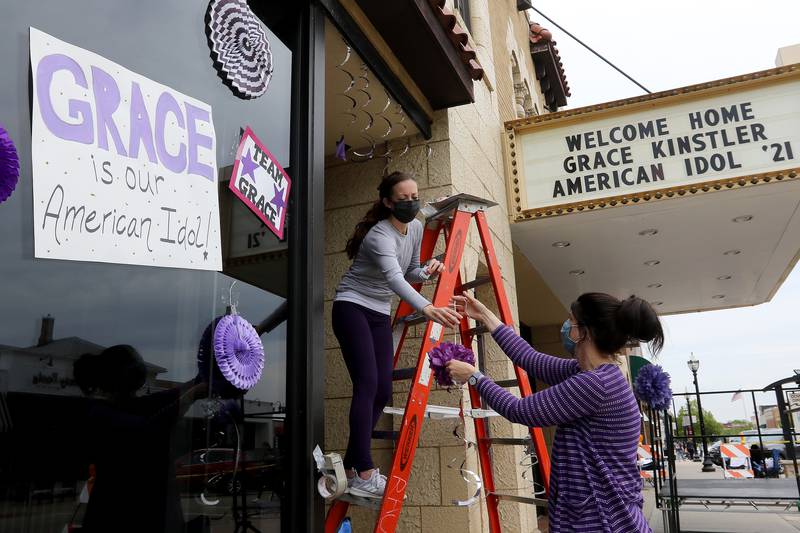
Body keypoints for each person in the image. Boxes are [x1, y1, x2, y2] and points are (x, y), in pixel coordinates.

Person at [447, 292, 664, 533]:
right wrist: (484, 315)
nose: (566, 327)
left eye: (571, 321)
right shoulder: (591, 375)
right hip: (605, 515)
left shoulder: (595, 385)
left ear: (584, 332)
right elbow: (530, 359)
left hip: (603, 521)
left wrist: (474, 377)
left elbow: (521, 411)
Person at [332, 171, 461, 498]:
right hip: (352, 307)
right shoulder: (379, 236)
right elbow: (393, 279)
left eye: (414, 196)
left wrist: (428, 267)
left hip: (377, 312)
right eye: (403, 199)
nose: (411, 203)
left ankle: (349, 465)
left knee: (382, 390)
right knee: (367, 383)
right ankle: (364, 469)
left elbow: (409, 272)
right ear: (388, 202)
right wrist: (427, 307)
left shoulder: (415, 227)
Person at [74, 345, 209, 533]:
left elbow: (180, 392)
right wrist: (191, 396)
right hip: (118, 518)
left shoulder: (130, 406)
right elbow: (148, 429)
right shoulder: (99, 414)